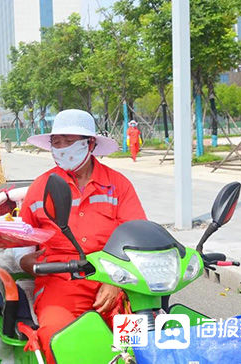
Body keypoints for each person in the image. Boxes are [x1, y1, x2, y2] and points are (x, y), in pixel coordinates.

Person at [18, 109, 146, 364]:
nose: (62, 148)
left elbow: (138, 238)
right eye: (57, 142)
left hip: (116, 283)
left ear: (91, 144)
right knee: (59, 340)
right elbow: (20, 246)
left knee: (137, 345)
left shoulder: (118, 185)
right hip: (61, 282)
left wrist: (116, 282)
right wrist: (29, 262)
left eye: (70, 141)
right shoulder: (40, 188)